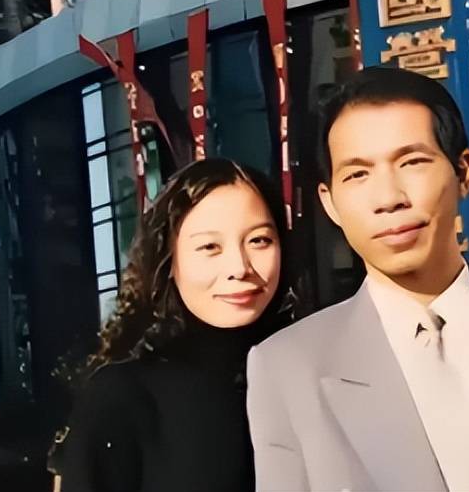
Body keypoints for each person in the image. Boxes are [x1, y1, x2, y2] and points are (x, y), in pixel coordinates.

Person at [247, 67, 469, 492]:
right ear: (330, 203)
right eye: (357, 174)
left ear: (463, 172)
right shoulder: (287, 367)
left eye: (412, 162)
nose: (389, 198)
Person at [60, 158, 294, 492]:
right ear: (170, 259)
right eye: (210, 247)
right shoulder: (121, 398)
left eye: (258, 240)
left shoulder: (313, 370)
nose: (239, 267)